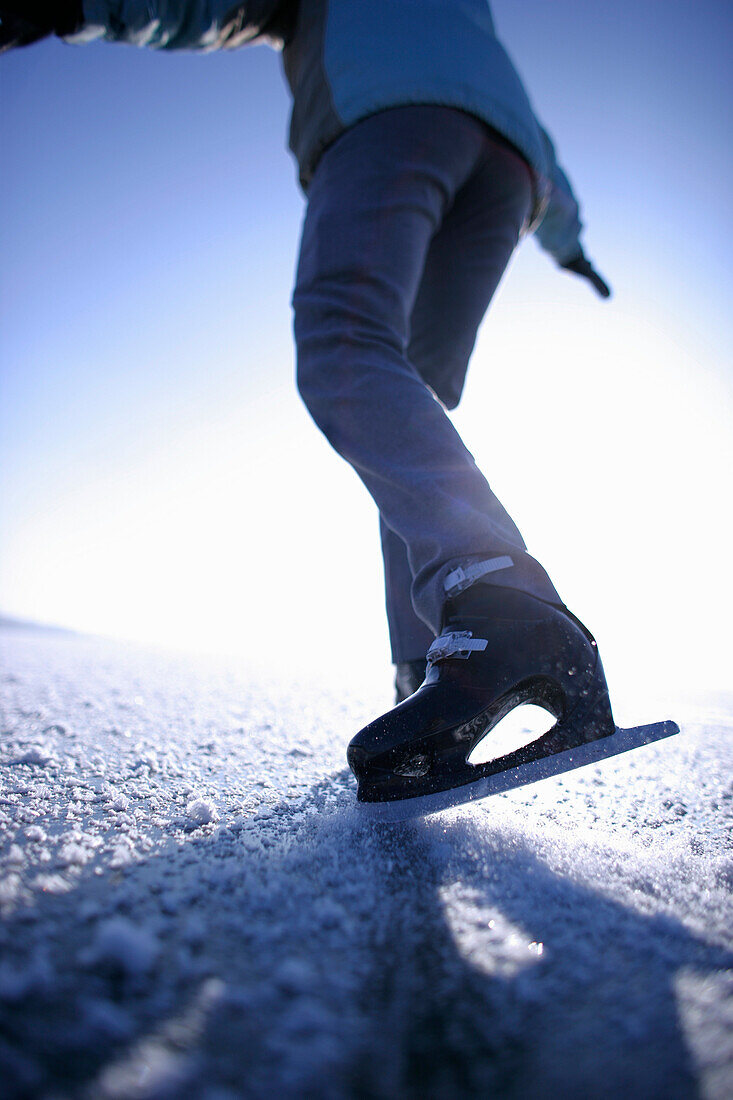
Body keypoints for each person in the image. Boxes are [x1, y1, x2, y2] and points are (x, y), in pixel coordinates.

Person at [2, 1, 619, 806]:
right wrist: (567, 240)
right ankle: (450, 662)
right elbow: (523, 112)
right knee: (408, 412)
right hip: (507, 171)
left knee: (345, 343)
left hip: (391, 121)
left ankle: (505, 614)